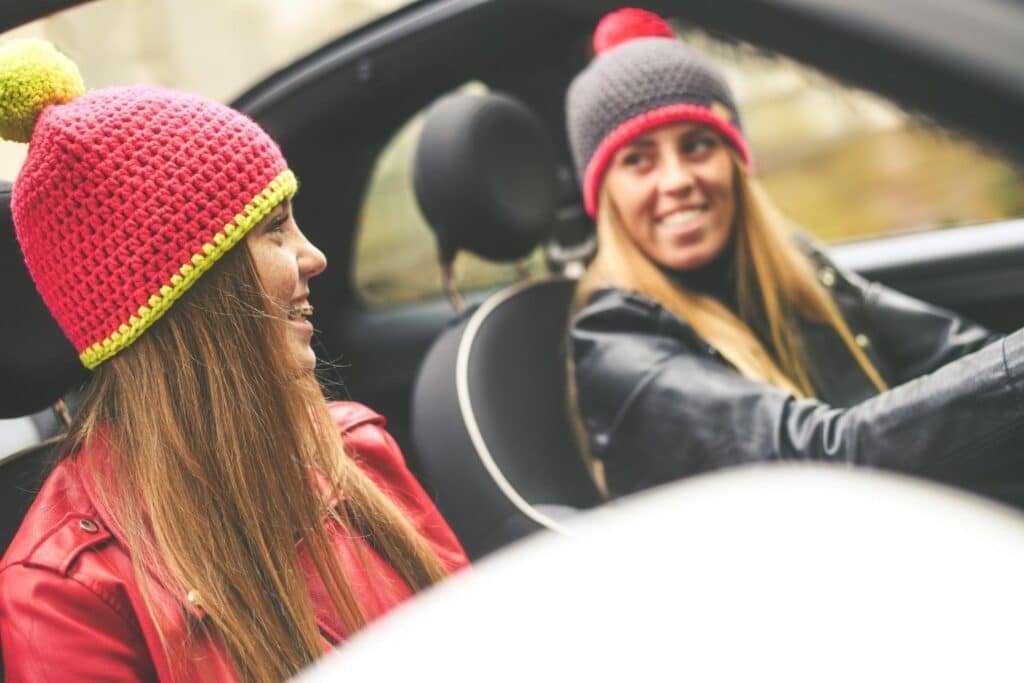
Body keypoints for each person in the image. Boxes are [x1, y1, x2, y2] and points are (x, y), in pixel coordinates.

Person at [0, 39, 467, 682]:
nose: (314, 257)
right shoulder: (68, 596)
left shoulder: (355, 449)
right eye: (274, 228)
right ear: (186, 292)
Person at [566, 8, 1024, 499]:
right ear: (605, 194)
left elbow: (960, 351)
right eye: (638, 160)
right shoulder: (618, 343)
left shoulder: (798, 271)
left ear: (736, 162)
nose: (677, 180)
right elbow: (825, 456)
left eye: (697, 146)